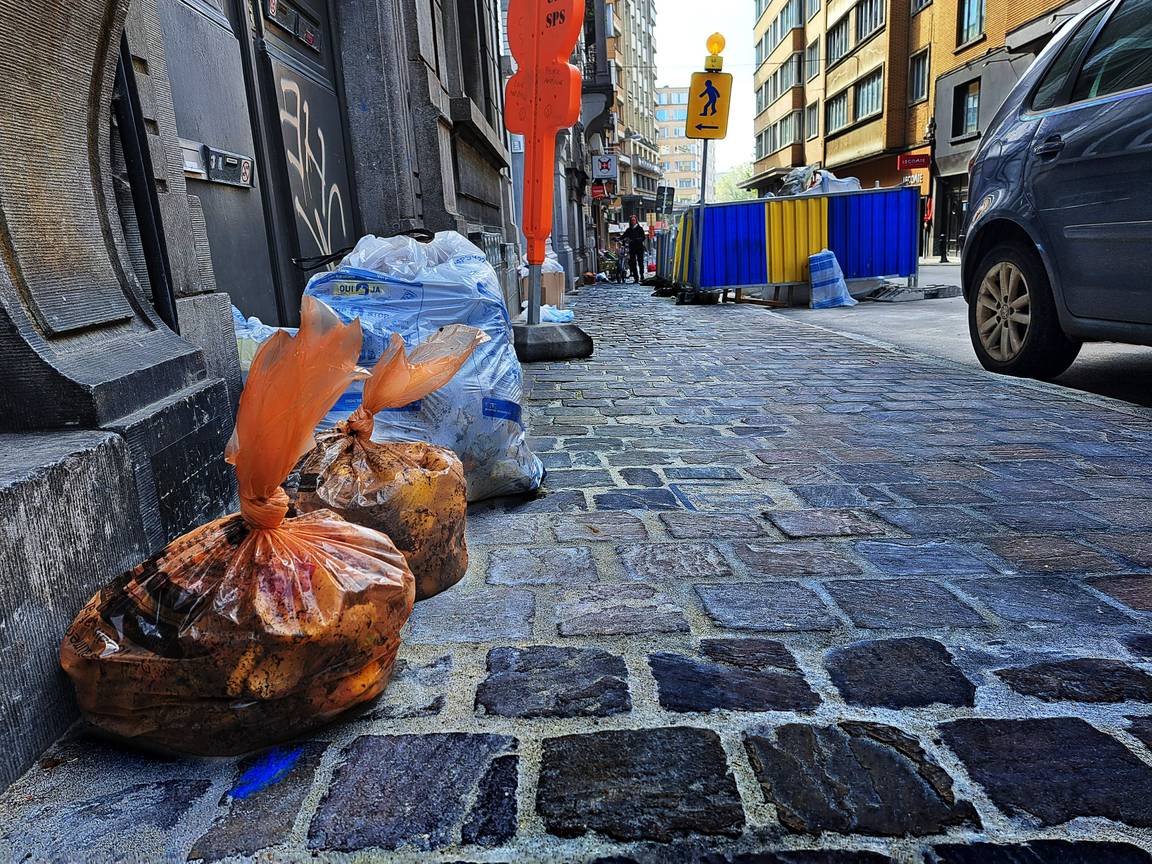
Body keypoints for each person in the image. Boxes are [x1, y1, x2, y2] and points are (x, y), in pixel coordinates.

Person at [622, 215, 647, 284]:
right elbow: (623, 236)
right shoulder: (629, 230)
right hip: (632, 248)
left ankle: (642, 275)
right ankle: (636, 277)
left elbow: (643, 237)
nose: (633, 221)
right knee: (633, 263)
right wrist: (618, 239)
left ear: (636, 221)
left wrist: (637, 240)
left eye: (634, 220)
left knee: (640, 262)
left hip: (639, 247)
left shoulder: (640, 229)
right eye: (632, 220)